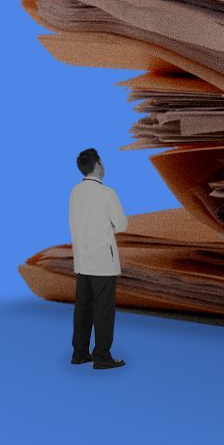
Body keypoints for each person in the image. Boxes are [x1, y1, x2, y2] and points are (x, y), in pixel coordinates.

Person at [68, 147, 129, 369]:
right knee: (103, 310)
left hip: (82, 259)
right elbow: (122, 224)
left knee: (83, 307)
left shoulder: (75, 192)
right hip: (103, 260)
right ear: (97, 164)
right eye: (102, 161)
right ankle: (102, 355)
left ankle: (79, 352)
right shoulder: (107, 193)